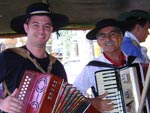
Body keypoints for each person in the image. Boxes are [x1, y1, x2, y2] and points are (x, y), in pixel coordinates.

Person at [0, 2, 69, 113]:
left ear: (51, 30)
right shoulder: (8, 57)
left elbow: (64, 102)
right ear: (26, 28)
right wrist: (2, 104)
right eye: (35, 25)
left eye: (46, 26)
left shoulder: (57, 66)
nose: (41, 31)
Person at [73, 19, 141, 112]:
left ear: (121, 37)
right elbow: (73, 95)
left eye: (112, 34)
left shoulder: (137, 63)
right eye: (103, 36)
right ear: (98, 42)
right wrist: (92, 102)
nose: (108, 39)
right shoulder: (92, 68)